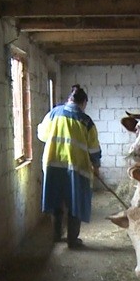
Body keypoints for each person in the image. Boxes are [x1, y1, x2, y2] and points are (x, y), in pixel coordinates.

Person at [37, 85, 101, 249]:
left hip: (53, 165)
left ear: (69, 99)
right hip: (76, 168)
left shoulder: (54, 113)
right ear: (83, 102)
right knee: (75, 203)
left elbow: (42, 135)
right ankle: (72, 240)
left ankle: (57, 236)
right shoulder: (86, 121)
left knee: (56, 201)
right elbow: (94, 149)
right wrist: (96, 166)